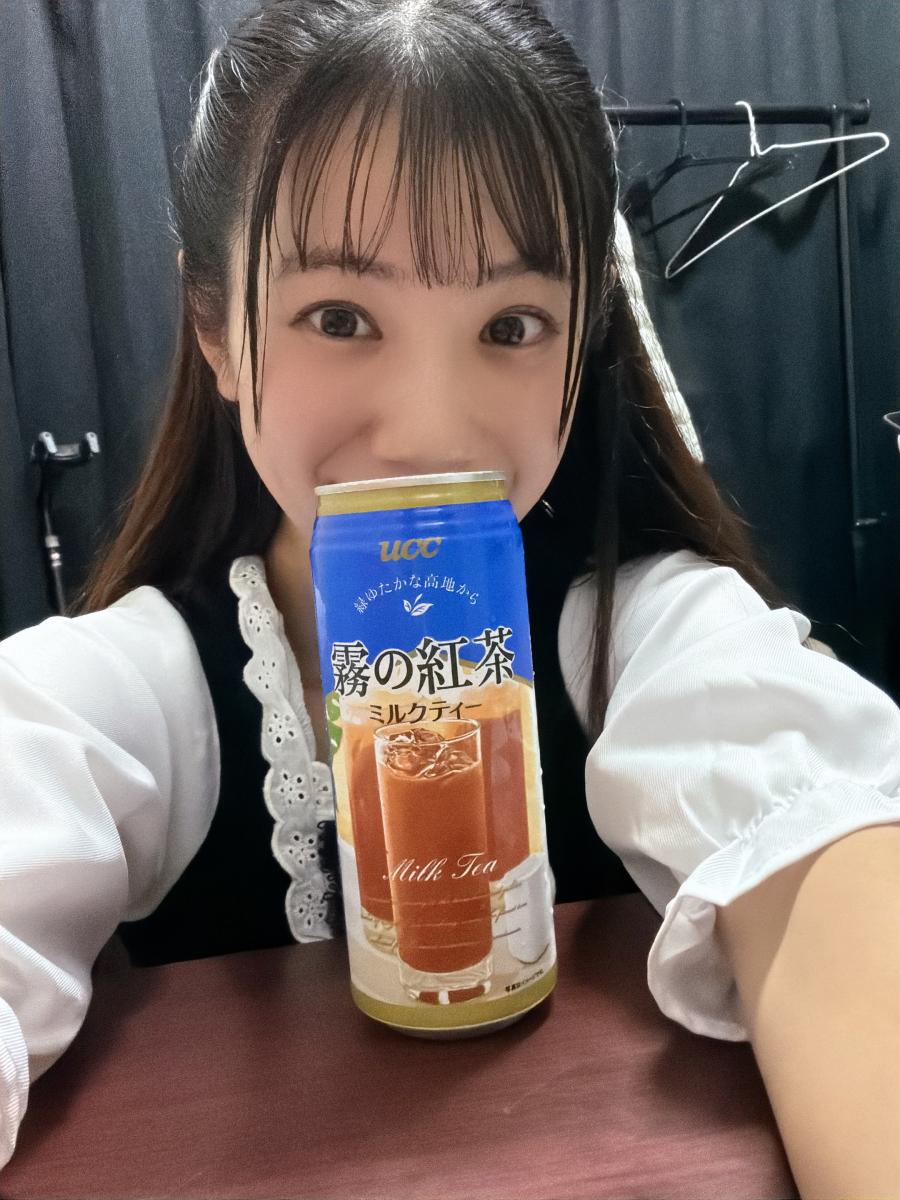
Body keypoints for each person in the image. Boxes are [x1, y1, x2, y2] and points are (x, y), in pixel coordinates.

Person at [1, 1, 898, 1193]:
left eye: (512, 325)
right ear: (215, 331)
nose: (429, 430)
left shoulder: (652, 633)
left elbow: (825, 829)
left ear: (581, 343)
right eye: (339, 317)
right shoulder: (124, 691)